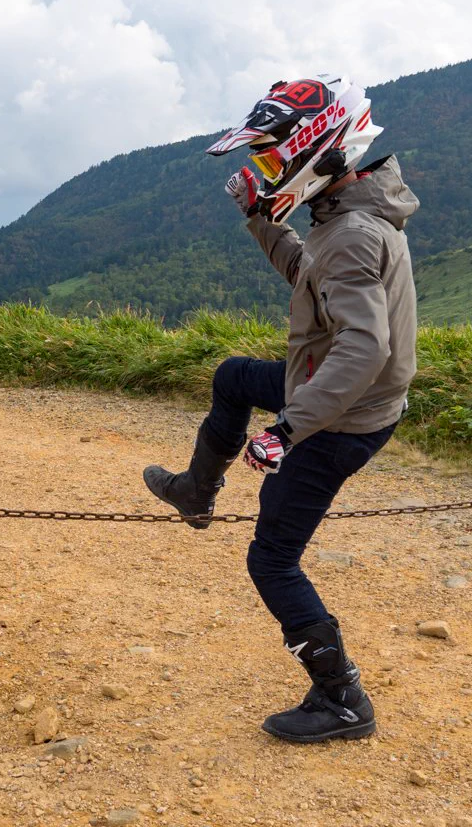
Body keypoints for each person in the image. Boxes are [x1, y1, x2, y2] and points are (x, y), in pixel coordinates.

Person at [143, 75, 418, 743]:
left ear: (318, 152)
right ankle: (195, 492)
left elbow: (365, 348)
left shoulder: (352, 231)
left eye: (273, 159)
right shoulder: (343, 215)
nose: (266, 170)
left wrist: (287, 431)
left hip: (338, 416)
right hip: (327, 391)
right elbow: (311, 278)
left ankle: (343, 700)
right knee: (234, 376)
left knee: (272, 559)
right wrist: (260, 218)